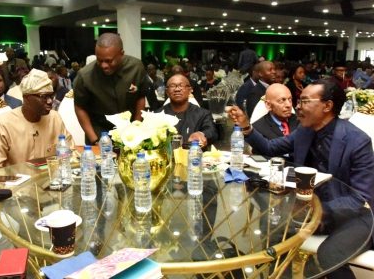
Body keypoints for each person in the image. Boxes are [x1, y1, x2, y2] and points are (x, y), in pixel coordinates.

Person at [227, 79, 374, 279]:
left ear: (327, 106)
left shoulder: (357, 141)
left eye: (305, 101)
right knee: (274, 234)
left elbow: (361, 198)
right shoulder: (304, 131)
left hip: (353, 217)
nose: (297, 106)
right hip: (309, 210)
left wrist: (317, 211)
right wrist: (246, 127)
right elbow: (271, 148)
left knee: (328, 256)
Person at [0, 69, 73, 171]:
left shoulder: (55, 118)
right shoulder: (3, 123)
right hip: (18, 184)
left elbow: (71, 153)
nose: (50, 101)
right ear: (26, 98)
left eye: (51, 96)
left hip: (53, 181)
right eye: (44, 97)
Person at [74, 33, 148, 144]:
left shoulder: (136, 68)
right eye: (99, 60)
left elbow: (141, 97)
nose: (104, 65)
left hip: (129, 129)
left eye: (108, 61)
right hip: (99, 130)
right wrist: (94, 139)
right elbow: (79, 107)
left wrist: (136, 126)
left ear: (121, 54)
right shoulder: (85, 76)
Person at [159, 74, 217, 148]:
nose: (177, 89)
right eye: (172, 86)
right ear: (167, 92)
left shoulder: (203, 114)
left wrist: (201, 134)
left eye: (181, 85)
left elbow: (212, 131)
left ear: (190, 90)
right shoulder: (157, 115)